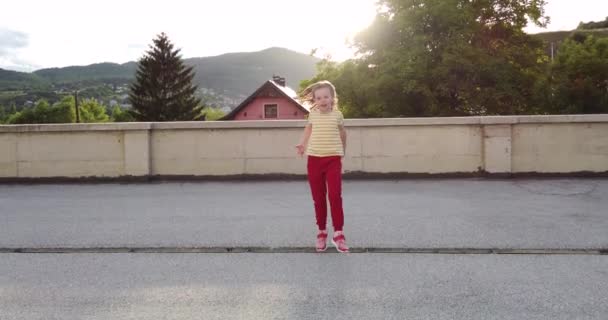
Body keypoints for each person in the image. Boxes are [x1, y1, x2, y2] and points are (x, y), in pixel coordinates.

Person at [295, 80, 349, 253]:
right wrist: (302, 144)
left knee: (335, 196)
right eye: (319, 97)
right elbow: (308, 130)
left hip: (333, 160)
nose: (323, 100)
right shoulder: (313, 115)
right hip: (314, 160)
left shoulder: (338, 115)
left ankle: (339, 233)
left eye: (326, 96)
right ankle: (322, 232)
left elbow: (343, 132)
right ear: (315, 100)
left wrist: (343, 151)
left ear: (332, 98)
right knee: (318, 198)